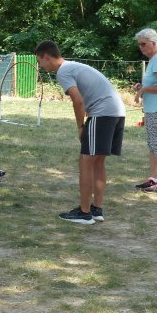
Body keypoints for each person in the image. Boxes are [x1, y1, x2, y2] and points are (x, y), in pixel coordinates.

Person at [35, 40, 126, 225]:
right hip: (117, 112)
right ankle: (96, 209)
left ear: (46, 56)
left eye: (40, 62)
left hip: (102, 114)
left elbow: (78, 100)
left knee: (85, 161)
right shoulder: (73, 66)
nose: (41, 67)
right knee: (98, 161)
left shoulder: (63, 71)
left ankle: (84, 213)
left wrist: (80, 127)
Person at [132, 28, 157, 193]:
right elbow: (155, 84)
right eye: (139, 44)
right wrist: (142, 87)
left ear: (154, 43)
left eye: (144, 44)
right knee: (152, 144)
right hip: (153, 108)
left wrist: (143, 90)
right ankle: (154, 178)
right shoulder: (154, 59)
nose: (141, 47)